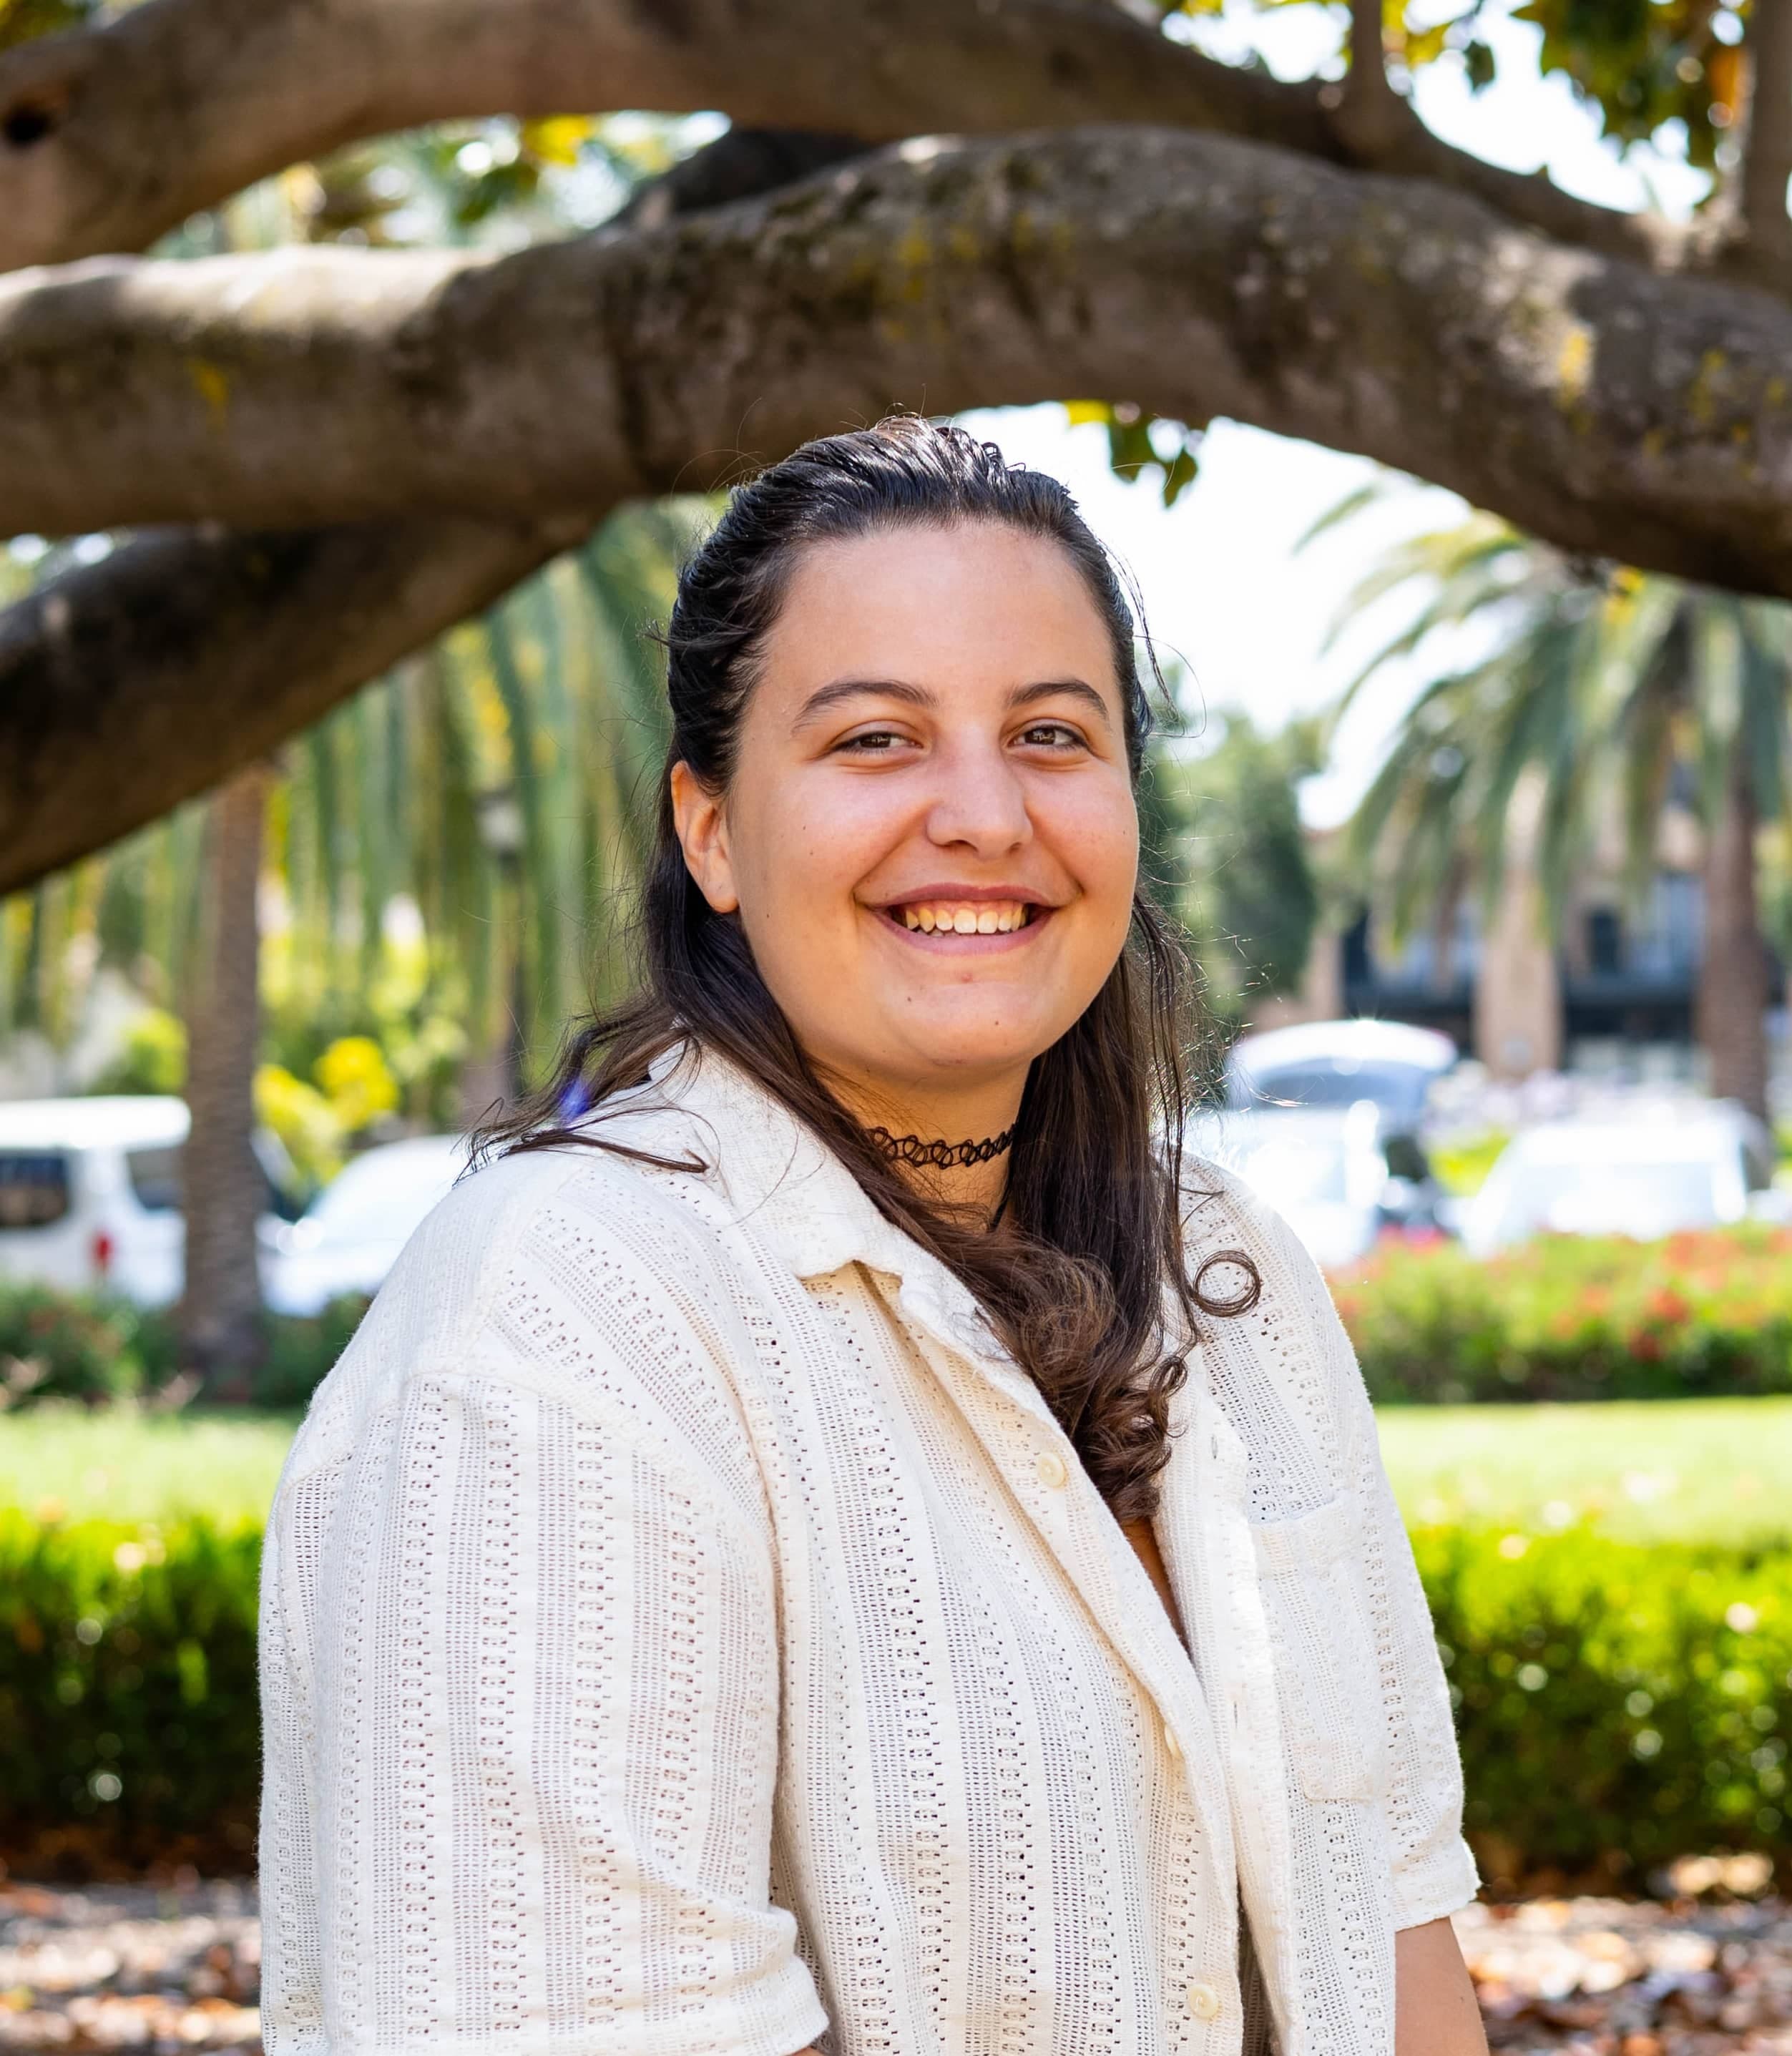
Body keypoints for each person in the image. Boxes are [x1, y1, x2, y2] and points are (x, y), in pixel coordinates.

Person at [258, 416, 1487, 2056]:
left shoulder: (1225, 1270)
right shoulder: (563, 1322)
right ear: (709, 830)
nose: (982, 816)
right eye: (873, 742)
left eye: (1051, 734)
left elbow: (1394, 1926)